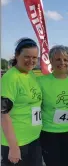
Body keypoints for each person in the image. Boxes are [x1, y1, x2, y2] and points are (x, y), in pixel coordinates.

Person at [1, 38, 43, 166]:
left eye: (35, 57)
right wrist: (13, 148)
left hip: (33, 139)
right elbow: (3, 114)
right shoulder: (10, 78)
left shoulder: (31, 74)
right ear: (17, 55)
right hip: (18, 143)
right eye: (27, 57)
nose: (31, 61)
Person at [37, 45, 68, 166]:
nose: (62, 62)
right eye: (58, 59)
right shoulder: (41, 82)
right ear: (51, 61)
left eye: (65, 60)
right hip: (49, 133)